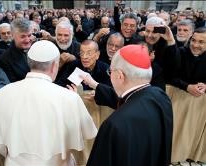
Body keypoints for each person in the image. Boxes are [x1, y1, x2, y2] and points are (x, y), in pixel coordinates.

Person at [0, 40, 97, 166]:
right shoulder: (69, 98)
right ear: (55, 65)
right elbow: (87, 134)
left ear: (29, 63)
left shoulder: (2, 94)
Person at [86, 44, 173, 166]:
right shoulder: (161, 97)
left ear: (120, 76)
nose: (110, 75)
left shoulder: (113, 124)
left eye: (110, 71)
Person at [168, 27, 206, 163]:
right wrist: (187, 86)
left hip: (199, 107)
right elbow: (169, 76)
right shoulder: (181, 53)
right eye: (194, 40)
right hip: (178, 99)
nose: (195, 45)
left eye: (201, 42)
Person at [0, 18, 33, 82]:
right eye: (23, 36)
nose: (27, 40)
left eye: (29, 35)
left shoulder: (37, 49)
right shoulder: (4, 60)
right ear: (12, 35)